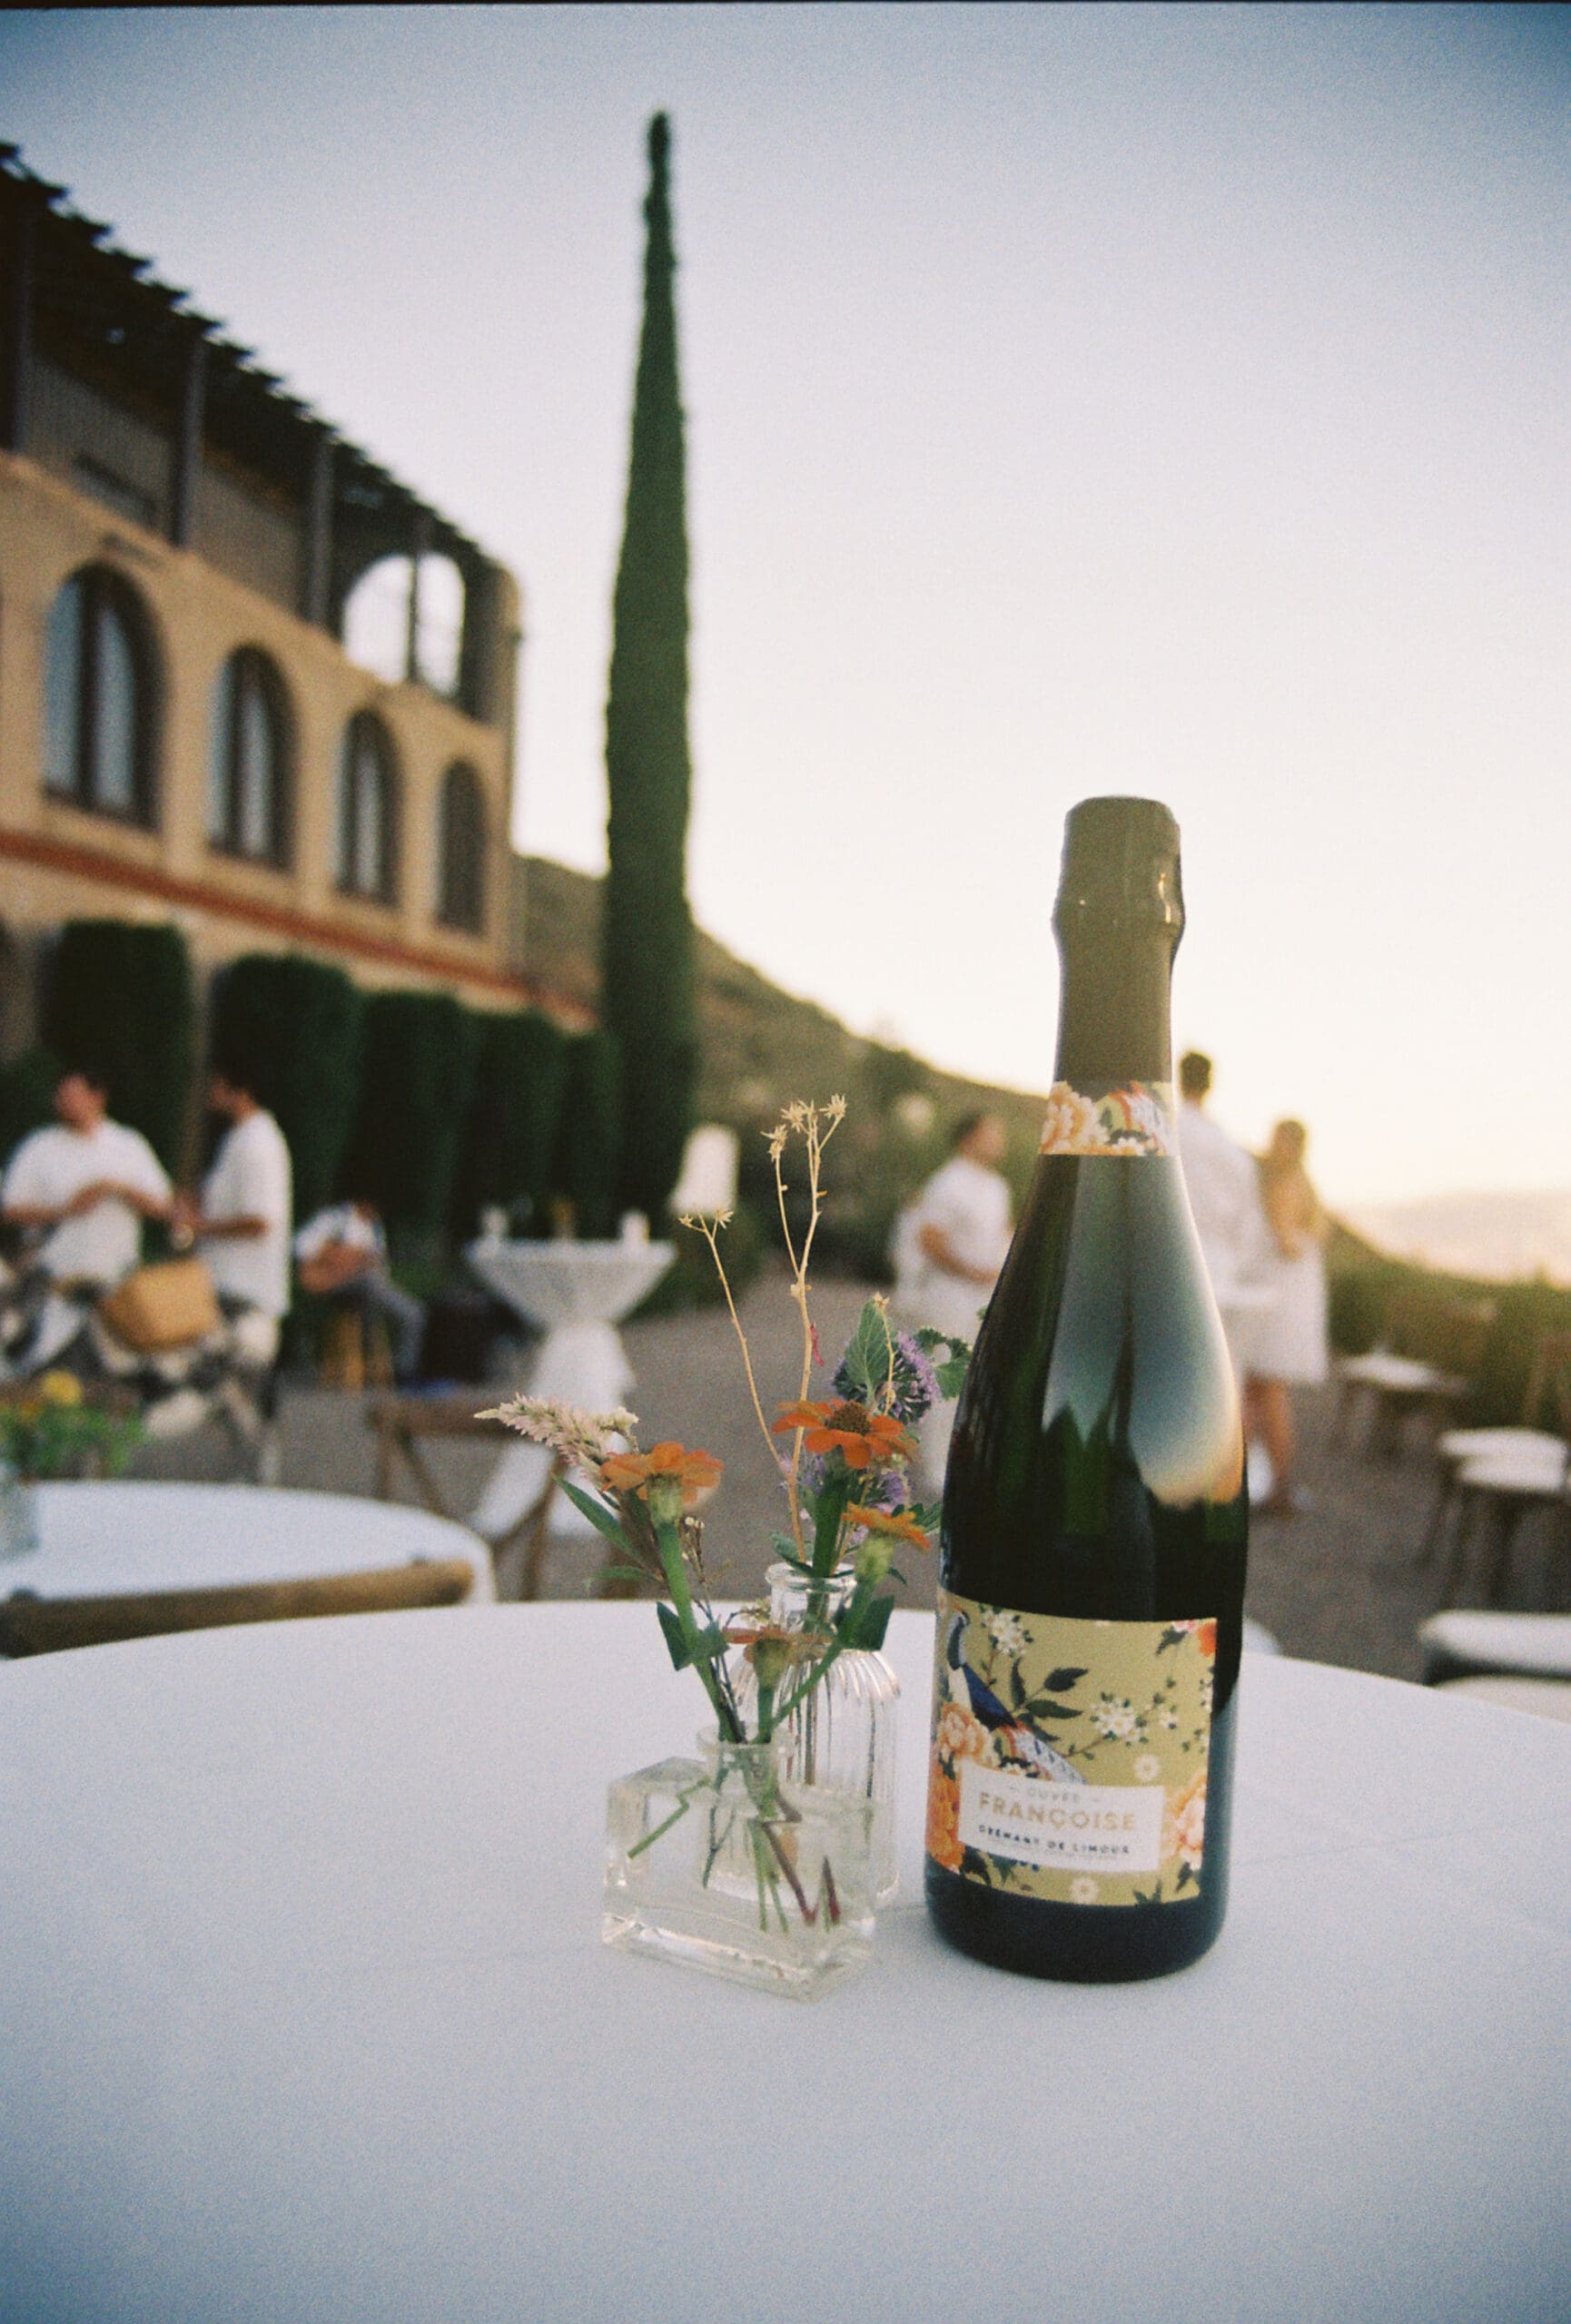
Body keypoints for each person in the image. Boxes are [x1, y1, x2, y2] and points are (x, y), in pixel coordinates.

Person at [892, 1111, 1013, 1490]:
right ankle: (938, 1470)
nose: (998, 1140)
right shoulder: (947, 1183)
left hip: (986, 1295)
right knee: (945, 1375)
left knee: (980, 1379)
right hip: (949, 1293)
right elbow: (929, 1239)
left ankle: (970, 1462)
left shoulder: (998, 1186)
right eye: (991, 1133)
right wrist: (969, 1271)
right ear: (968, 1138)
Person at [0, 1065, 172, 1288]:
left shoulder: (128, 1145)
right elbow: (10, 1209)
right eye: (60, 1096)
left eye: (72, 1096)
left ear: (97, 1097)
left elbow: (164, 1207)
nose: (63, 1103)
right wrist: (66, 1210)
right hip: (55, 1280)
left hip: (116, 1282)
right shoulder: (39, 1146)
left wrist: (116, 1188)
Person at [173, 1060, 292, 1358]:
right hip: (222, 1287)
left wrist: (198, 1226)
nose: (209, 1094)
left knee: (233, 1391)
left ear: (240, 1092)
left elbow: (260, 1221)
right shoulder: (236, 1138)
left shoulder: (260, 1142)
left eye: (216, 1086)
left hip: (245, 1295)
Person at [1244, 1118, 1329, 1519]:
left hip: (1275, 1300)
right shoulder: (1308, 1185)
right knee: (1264, 1391)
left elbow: (1287, 1243)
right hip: (1293, 1298)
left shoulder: (1282, 1184)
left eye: (1277, 1141)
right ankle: (1273, 1483)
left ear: (1290, 1146)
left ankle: (1263, 1484)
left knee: (1260, 1389)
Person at [1174, 1050, 1265, 1383]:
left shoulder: (1163, 1132)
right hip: (1219, 1268)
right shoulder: (1231, 1149)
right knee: (1216, 1370)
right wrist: (1235, 1262)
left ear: (1179, 1078)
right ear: (1210, 1085)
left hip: (1163, 1260)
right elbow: (1250, 1219)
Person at [294, 1196, 424, 1384]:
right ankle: (401, 1371)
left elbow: (378, 1265)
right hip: (334, 1287)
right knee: (375, 1287)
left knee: (374, 1286)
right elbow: (301, 1247)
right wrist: (340, 1256)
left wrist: (360, 1261)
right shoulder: (334, 1218)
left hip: (365, 1287)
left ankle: (389, 1363)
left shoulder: (375, 1227)